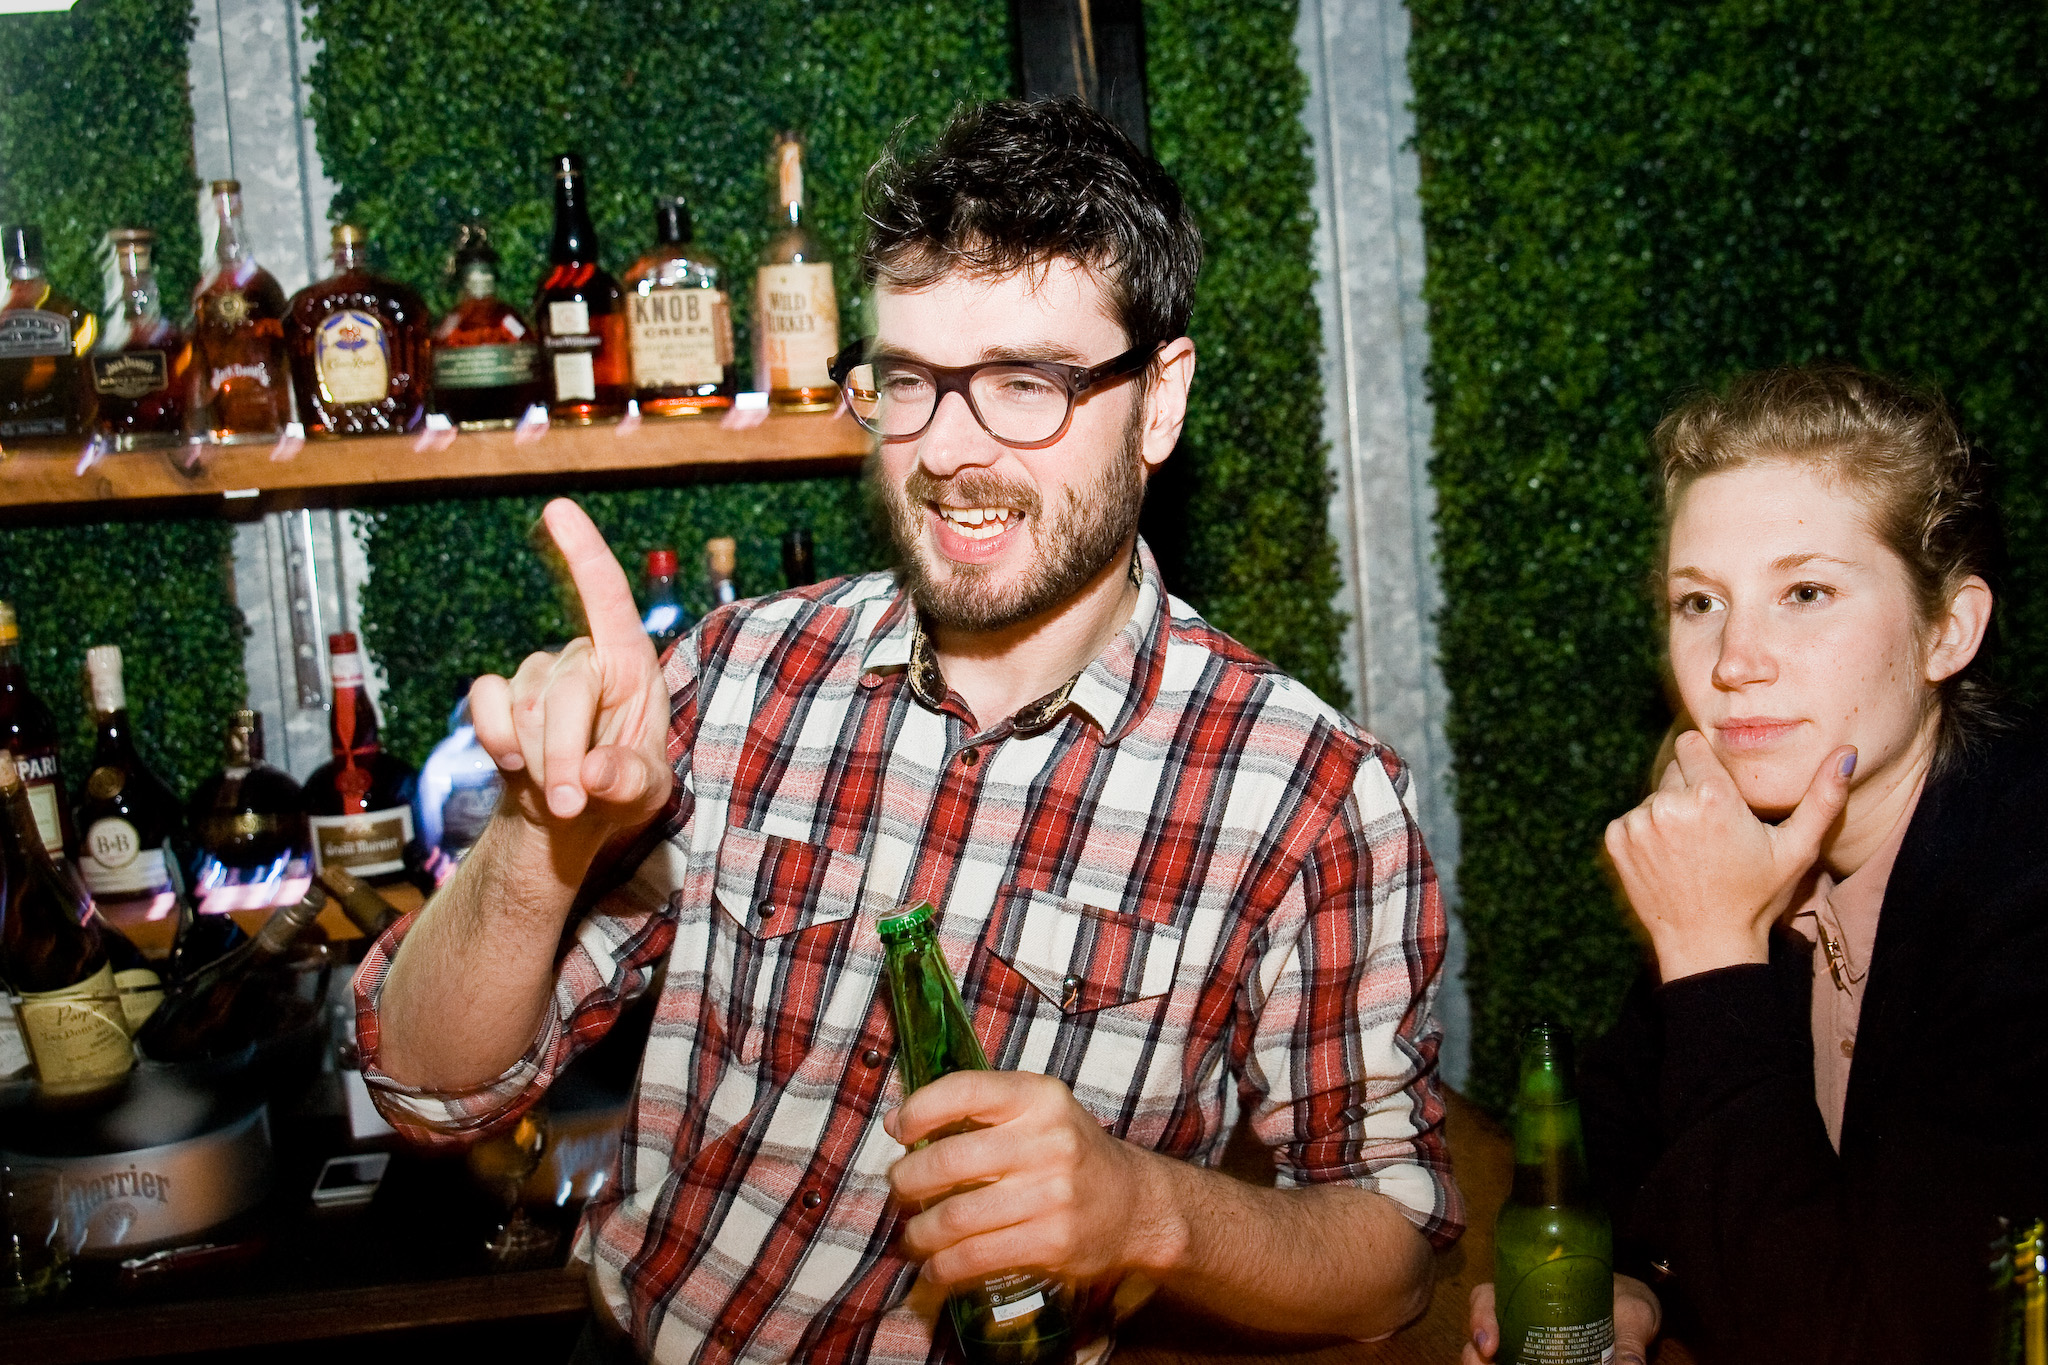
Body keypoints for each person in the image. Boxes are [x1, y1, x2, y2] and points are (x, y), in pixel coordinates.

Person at [356, 98, 1461, 1365]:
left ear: (1158, 402)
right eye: (908, 383)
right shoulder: (732, 678)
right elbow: (428, 1087)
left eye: (1023, 385)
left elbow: (1387, 1258)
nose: (946, 450)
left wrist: (1149, 1210)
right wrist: (541, 840)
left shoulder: (1307, 794)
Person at [1464, 365, 2048, 1365]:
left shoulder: (2022, 893)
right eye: (1698, 602)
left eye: (1804, 591)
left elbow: (1862, 1338)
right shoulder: (1748, 841)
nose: (1733, 660)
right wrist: (1636, 1286)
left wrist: (1708, 951)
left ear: (1946, 629)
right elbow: (1625, 1152)